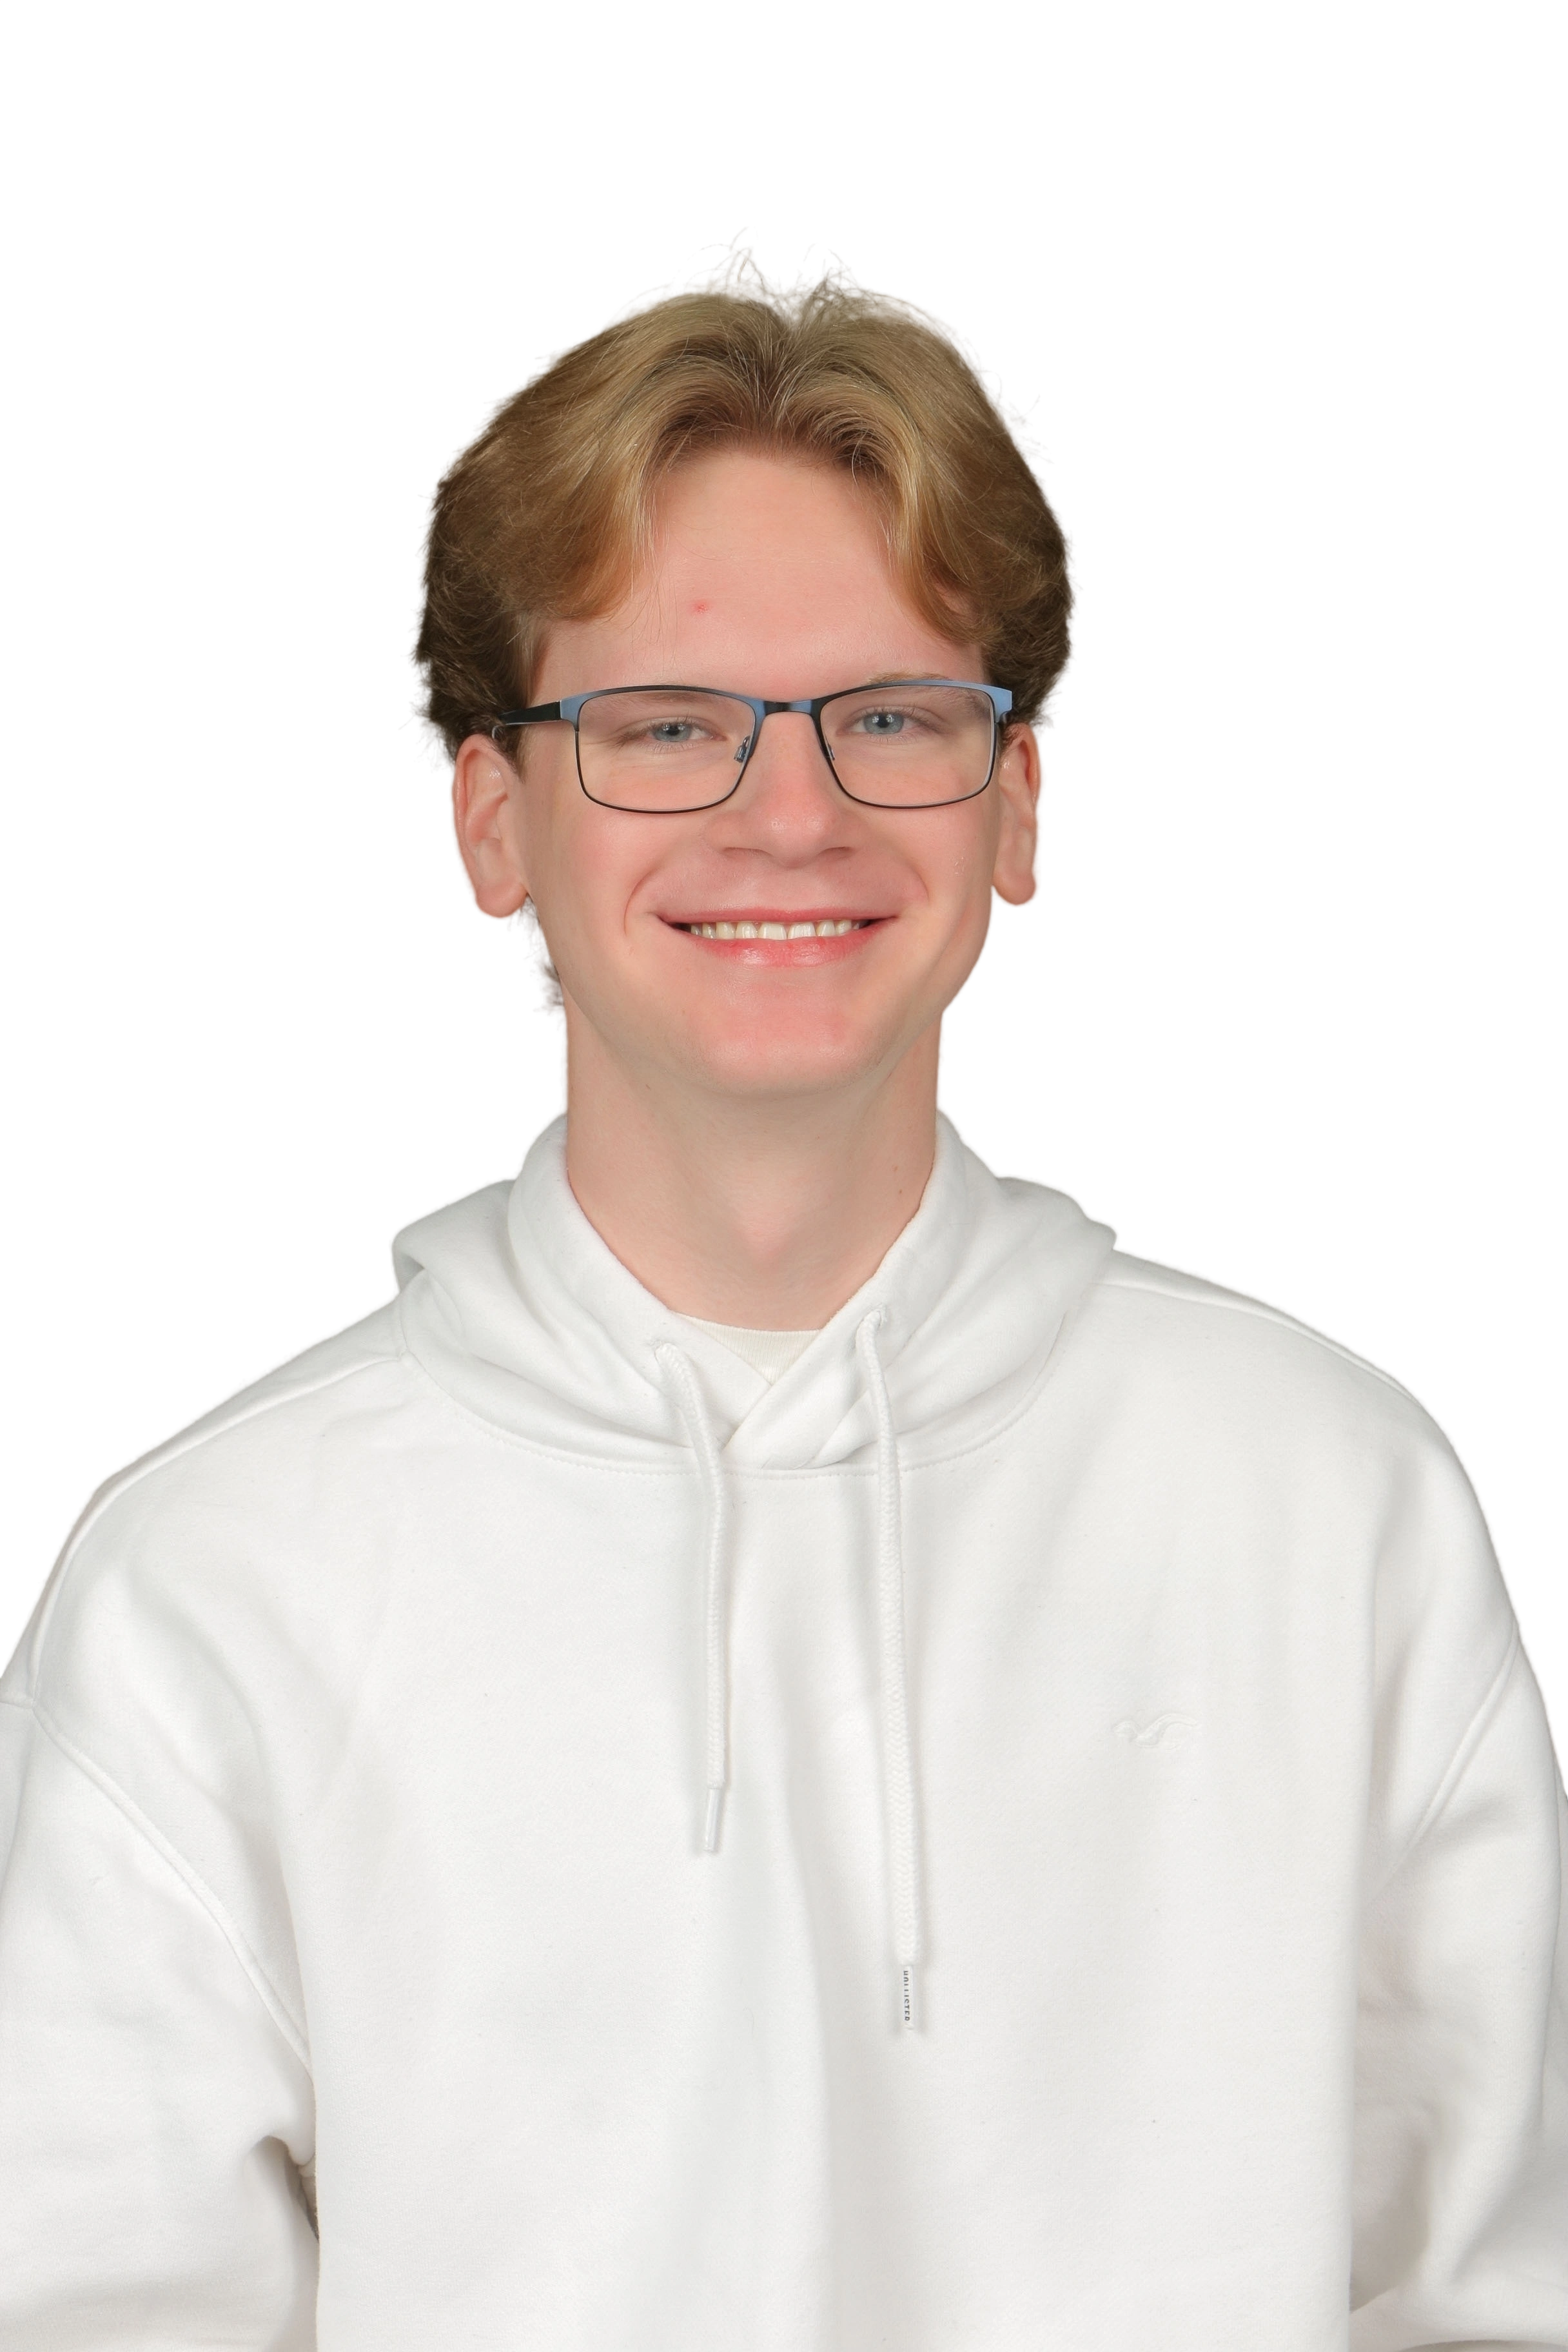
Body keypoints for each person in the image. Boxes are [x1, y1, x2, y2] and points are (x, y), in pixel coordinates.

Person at [0, 222, 1563, 2351]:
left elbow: (1503, 2292)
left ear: (1020, 809)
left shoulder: (1329, 1502)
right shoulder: (217, 1583)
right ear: (493, 822)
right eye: (666, 725)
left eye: (892, 716)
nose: (792, 816)